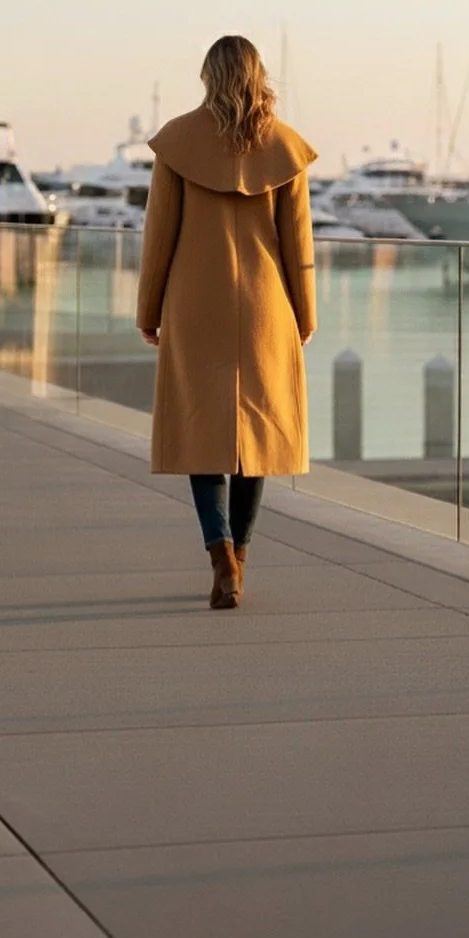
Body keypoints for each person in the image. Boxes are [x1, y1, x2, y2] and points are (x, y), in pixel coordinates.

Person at [137, 35, 318, 609]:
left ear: (207, 76)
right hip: (267, 309)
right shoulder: (285, 148)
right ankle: (239, 555)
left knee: (202, 432)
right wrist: (305, 315)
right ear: (259, 74)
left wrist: (148, 311)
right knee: (257, 436)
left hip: (196, 305)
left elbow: (158, 237)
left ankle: (219, 554)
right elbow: (299, 246)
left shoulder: (177, 144)